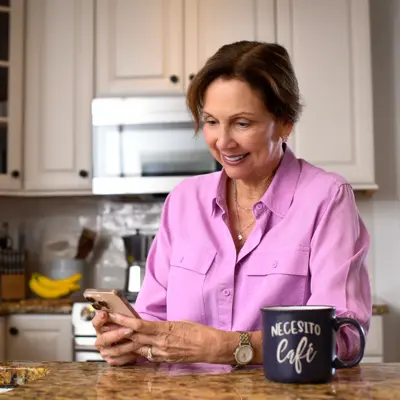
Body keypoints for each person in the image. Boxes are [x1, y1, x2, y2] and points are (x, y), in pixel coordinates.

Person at [93, 40, 372, 367]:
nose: (223, 142)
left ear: (284, 122)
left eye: (242, 123)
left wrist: (229, 347)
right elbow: (154, 317)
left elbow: (342, 338)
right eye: (211, 121)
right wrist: (127, 340)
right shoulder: (184, 200)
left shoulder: (326, 198)